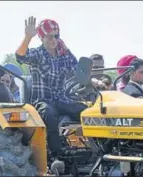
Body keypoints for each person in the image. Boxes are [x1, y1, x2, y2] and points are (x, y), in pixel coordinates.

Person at [15, 16, 97, 167]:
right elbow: (20, 56)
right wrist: (27, 37)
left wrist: (95, 82)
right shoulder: (37, 54)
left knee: (87, 112)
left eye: (56, 35)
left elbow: (79, 72)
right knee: (49, 113)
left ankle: (97, 152)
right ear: (42, 38)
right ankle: (56, 155)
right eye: (49, 36)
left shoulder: (64, 55)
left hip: (62, 99)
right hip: (43, 100)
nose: (54, 39)